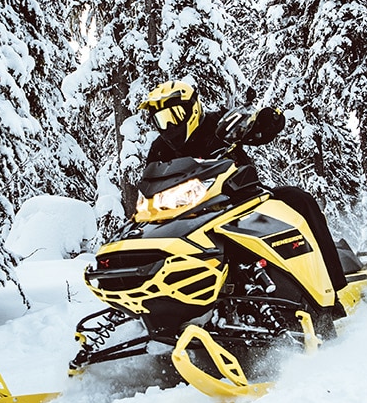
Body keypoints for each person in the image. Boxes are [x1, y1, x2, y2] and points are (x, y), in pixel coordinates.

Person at [138, 80, 348, 292]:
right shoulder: (160, 148)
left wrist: (267, 122)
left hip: (241, 199)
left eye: (174, 115)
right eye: (162, 120)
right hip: (190, 214)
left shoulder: (218, 123)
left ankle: (333, 285)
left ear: (192, 108)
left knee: (299, 200)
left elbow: (252, 129)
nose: (169, 126)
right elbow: (152, 179)